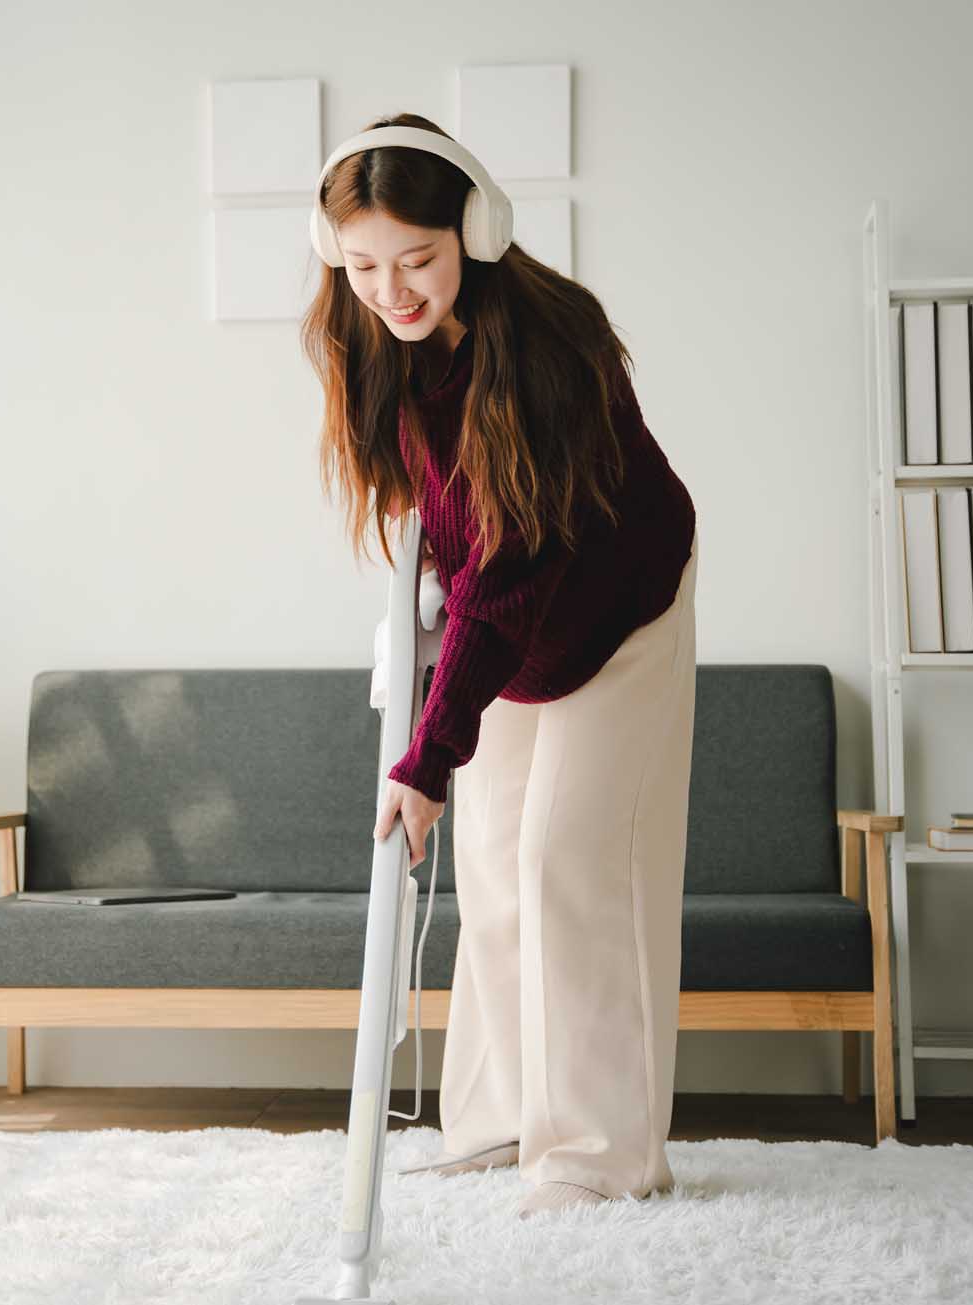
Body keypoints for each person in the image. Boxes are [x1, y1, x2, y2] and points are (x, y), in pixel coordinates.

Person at [303, 114, 699, 1220]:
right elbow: (447, 524)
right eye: (365, 264)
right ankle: (500, 1121)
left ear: (473, 229)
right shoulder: (366, 332)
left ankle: (595, 1155)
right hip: (508, 606)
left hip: (616, 607)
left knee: (570, 857)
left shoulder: (548, 345)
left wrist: (430, 750)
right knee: (491, 863)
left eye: (417, 259)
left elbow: (511, 565)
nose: (392, 289)